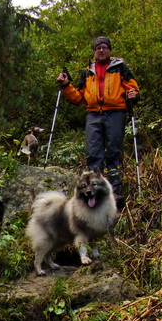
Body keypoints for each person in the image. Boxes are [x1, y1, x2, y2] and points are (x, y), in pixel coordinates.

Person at [57, 36, 139, 201]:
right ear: (94, 51)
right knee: (94, 154)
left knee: (114, 153)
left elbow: (132, 87)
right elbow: (79, 97)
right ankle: (96, 191)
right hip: (93, 115)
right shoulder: (87, 71)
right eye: (98, 48)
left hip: (116, 113)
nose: (101, 50)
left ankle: (114, 192)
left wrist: (133, 94)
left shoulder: (119, 67)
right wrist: (66, 85)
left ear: (109, 50)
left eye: (104, 47)